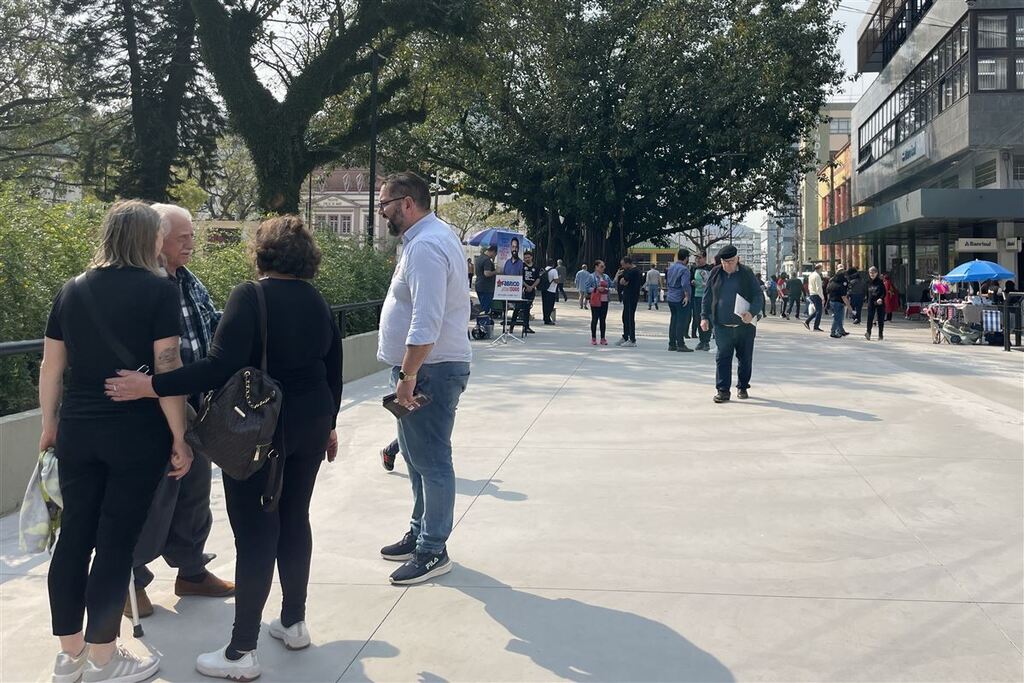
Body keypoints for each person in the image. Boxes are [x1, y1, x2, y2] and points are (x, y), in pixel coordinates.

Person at [106, 215, 343, 680]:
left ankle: (241, 653)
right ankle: (294, 622)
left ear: (263, 252)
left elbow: (216, 368)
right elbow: (332, 368)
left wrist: (150, 385)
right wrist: (330, 424)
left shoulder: (250, 296)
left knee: (256, 533)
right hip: (311, 425)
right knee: (295, 520)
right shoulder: (317, 300)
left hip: (264, 432)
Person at [42, 200, 192, 683]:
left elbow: (51, 367)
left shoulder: (71, 290)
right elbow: (167, 368)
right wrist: (179, 436)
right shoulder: (159, 290)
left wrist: (49, 425)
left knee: (73, 538)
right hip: (135, 433)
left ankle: (71, 657)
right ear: (149, 240)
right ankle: (106, 657)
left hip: (78, 430)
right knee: (115, 544)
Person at [128, 203, 234, 622]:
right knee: (153, 496)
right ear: (157, 241)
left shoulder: (189, 281)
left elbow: (209, 329)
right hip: (153, 408)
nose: (191, 244)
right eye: (182, 237)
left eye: (192, 235)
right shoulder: (142, 286)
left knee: (194, 492)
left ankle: (191, 571)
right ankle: (130, 580)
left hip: (196, 405)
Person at [373, 172, 472, 586]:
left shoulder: (427, 246)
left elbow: (426, 320)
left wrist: (408, 375)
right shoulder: (425, 239)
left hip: (430, 370)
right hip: (425, 369)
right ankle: (420, 532)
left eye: (384, 205)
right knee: (415, 459)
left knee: (432, 462)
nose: (381, 213)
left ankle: (433, 548)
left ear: (407, 203)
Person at [700, 245, 762, 403]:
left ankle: (742, 386)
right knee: (722, 358)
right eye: (724, 262)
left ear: (738, 259)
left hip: (745, 326)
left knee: (745, 358)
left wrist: (752, 312)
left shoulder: (746, 273)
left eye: (731, 261)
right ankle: (723, 390)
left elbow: (758, 296)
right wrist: (704, 317)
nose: (728, 265)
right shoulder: (715, 272)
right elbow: (707, 297)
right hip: (722, 326)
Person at [665, 249, 693, 352]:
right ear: (686, 258)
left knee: (673, 320)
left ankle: (672, 344)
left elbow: (667, 281)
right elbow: (685, 284)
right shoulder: (684, 269)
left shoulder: (671, 268)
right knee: (681, 321)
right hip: (680, 297)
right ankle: (680, 344)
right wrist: (687, 296)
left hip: (671, 296)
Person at [509, 250, 539, 335]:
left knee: (527, 309)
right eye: (525, 258)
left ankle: (526, 326)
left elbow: (538, 278)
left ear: (531, 257)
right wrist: (526, 286)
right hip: (522, 290)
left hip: (531, 290)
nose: (527, 259)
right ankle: (512, 326)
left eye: (528, 257)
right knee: (517, 308)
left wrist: (532, 287)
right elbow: (519, 277)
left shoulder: (536, 267)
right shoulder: (521, 266)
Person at [616, 257, 642, 347]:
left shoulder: (634, 271)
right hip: (627, 296)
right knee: (625, 317)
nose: (622, 267)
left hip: (632, 296)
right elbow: (621, 281)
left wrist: (623, 281)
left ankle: (632, 339)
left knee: (630, 317)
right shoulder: (628, 271)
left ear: (628, 263)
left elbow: (623, 281)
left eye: (623, 264)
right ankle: (625, 336)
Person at [585, 260, 612, 345]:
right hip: (596, 300)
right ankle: (593, 338)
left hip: (605, 300)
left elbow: (611, 285)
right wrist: (596, 289)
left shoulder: (606, 277)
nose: (603, 268)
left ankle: (603, 338)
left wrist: (608, 289)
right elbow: (587, 288)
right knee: (595, 319)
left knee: (603, 320)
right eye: (601, 266)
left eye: (604, 266)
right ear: (596, 267)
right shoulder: (591, 276)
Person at [690, 254, 713, 349]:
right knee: (698, 318)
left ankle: (706, 340)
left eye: (699, 258)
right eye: (696, 258)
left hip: (707, 297)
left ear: (704, 258)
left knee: (707, 318)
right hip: (696, 296)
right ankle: (701, 340)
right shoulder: (693, 268)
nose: (697, 260)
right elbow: (690, 279)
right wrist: (692, 282)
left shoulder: (710, 268)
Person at [474, 246, 497, 317]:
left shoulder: (479, 258)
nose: (495, 256)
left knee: (483, 307)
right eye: (495, 254)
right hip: (486, 287)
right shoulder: (487, 260)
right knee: (485, 309)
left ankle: (481, 324)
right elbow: (487, 273)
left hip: (479, 285)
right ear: (493, 252)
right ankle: (483, 325)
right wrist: (496, 271)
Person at [865, 266, 887, 341]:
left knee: (880, 319)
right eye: (870, 273)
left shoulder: (880, 282)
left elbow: (884, 292)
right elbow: (867, 292)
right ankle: (868, 333)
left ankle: (880, 335)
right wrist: (866, 299)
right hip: (871, 302)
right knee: (870, 318)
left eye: (873, 273)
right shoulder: (867, 282)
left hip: (879, 302)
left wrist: (881, 298)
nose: (872, 274)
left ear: (876, 273)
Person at [827, 270, 850, 338]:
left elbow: (828, 291)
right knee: (838, 318)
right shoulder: (841, 284)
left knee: (839, 318)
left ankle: (841, 330)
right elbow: (844, 297)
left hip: (832, 301)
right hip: (838, 302)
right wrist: (849, 307)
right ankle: (833, 332)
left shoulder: (832, 282)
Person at [803, 264, 825, 332]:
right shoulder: (817, 276)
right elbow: (818, 288)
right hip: (817, 294)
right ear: (819, 268)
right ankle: (815, 326)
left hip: (812, 293)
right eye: (821, 268)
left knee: (817, 311)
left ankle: (808, 321)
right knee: (819, 311)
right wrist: (822, 297)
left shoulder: (811, 275)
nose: (822, 270)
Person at [542, 259, 560, 325]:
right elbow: (556, 280)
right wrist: (559, 279)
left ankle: (545, 317)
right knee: (550, 305)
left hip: (544, 289)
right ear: (553, 264)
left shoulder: (544, 270)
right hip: (551, 290)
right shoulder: (554, 270)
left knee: (544, 305)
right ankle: (547, 319)